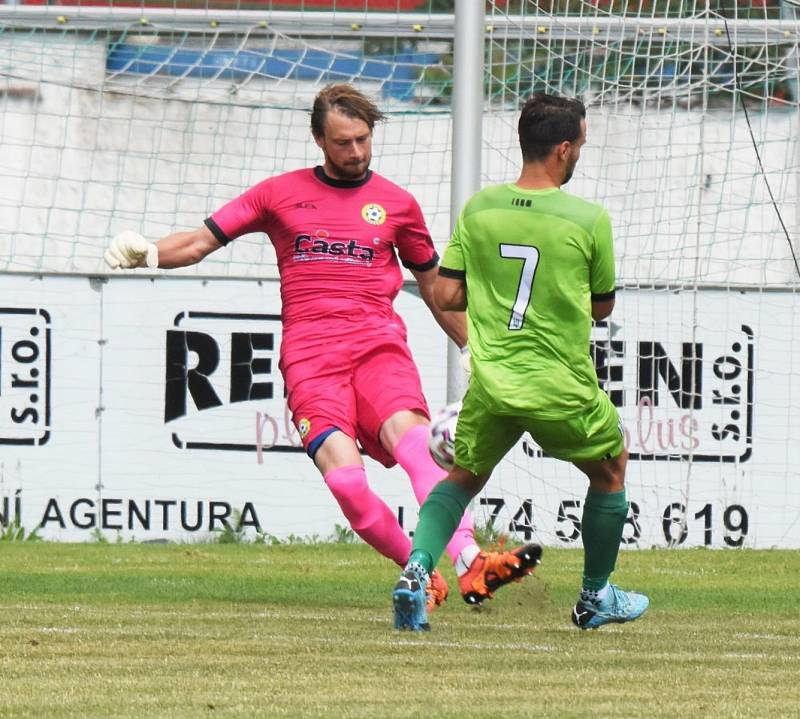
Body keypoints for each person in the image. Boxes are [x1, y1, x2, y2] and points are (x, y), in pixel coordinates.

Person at [104, 83, 541, 617]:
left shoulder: (398, 205)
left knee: (418, 450)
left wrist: (477, 346)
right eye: (342, 142)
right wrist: (148, 252)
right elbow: (199, 242)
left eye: (362, 139)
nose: (355, 152)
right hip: (311, 360)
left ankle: (472, 560)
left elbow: (435, 289)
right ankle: (419, 573)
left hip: (378, 347)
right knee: (349, 487)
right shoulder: (277, 194)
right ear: (318, 139)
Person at [392, 92, 649, 631]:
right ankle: (595, 597)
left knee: (462, 478)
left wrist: (494, 293)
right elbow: (602, 307)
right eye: (578, 144)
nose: (579, 152)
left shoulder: (480, 209)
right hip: (559, 383)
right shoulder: (589, 218)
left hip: (493, 382)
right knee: (612, 467)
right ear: (562, 148)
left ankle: (416, 572)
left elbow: (445, 295)